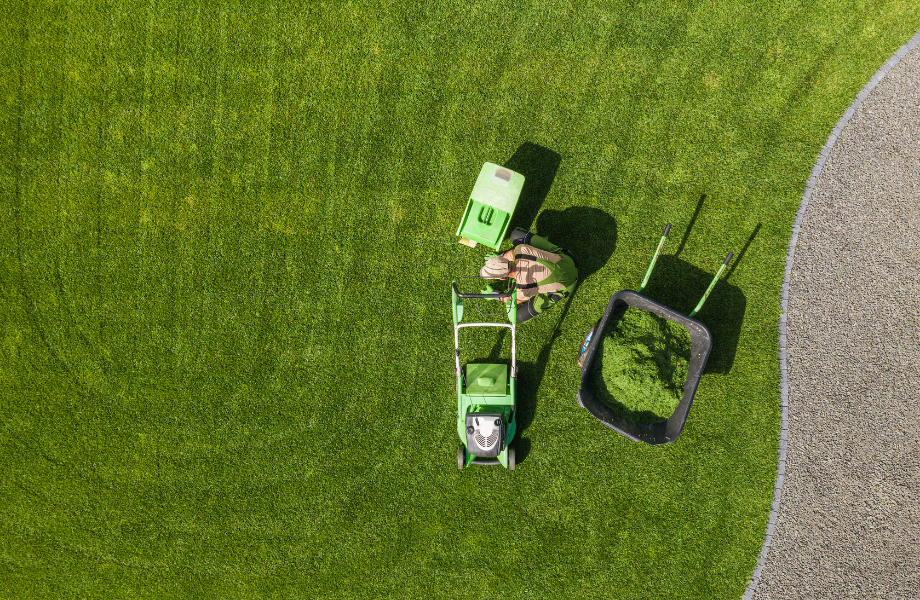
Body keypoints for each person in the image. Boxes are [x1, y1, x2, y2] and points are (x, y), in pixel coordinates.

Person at [479, 227, 579, 323]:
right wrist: (500, 259)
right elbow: (511, 254)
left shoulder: (522, 290)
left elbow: (511, 300)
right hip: (569, 259)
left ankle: (554, 292)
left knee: (519, 316)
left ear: (502, 278)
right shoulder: (521, 250)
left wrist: (496, 296)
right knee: (516, 235)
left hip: (569, 284)